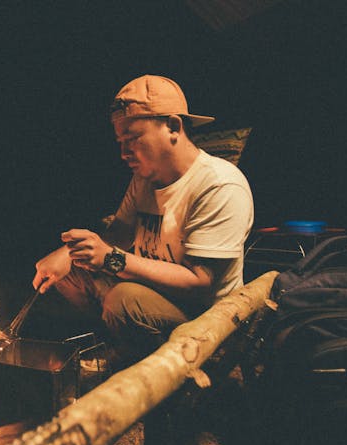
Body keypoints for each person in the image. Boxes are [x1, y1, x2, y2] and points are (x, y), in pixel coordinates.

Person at [32, 74, 254, 365]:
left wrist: (113, 260)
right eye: (120, 141)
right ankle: (117, 345)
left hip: (205, 318)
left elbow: (202, 282)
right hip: (156, 294)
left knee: (124, 301)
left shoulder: (219, 185)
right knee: (71, 272)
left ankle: (158, 370)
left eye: (133, 139)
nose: (124, 153)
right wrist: (67, 254)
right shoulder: (144, 178)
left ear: (173, 127)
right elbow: (119, 234)